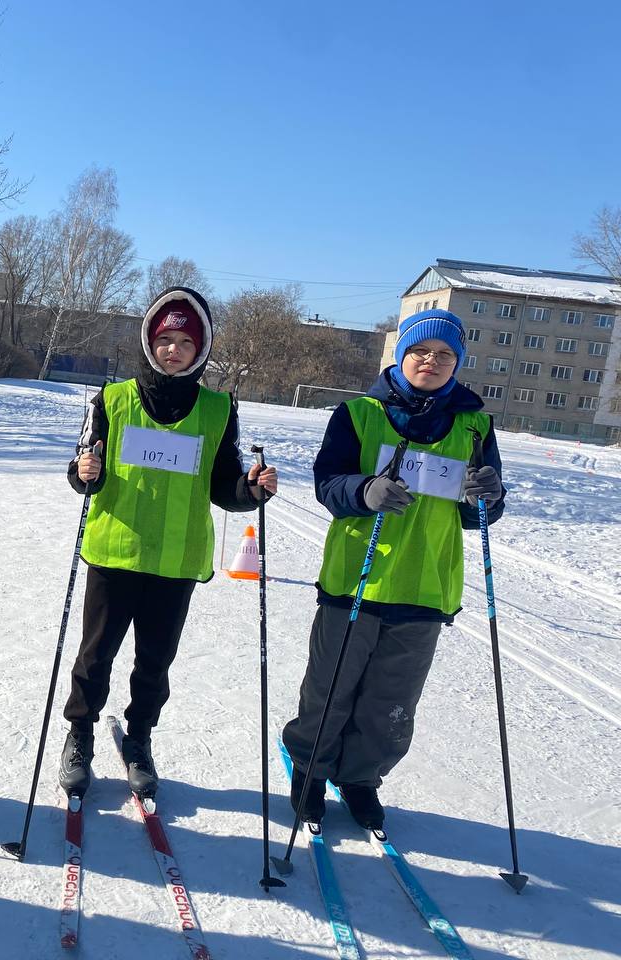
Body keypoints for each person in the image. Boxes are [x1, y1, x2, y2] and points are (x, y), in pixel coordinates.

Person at [282, 308, 506, 829]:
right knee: (330, 686)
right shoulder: (359, 413)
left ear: (458, 363)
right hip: (356, 579)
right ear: (402, 356)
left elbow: (480, 513)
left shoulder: (474, 424)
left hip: (425, 586)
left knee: (392, 700)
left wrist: (489, 498)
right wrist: (364, 490)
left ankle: (361, 778)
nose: (431, 361)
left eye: (444, 355)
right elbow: (328, 485)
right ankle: (311, 770)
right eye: (421, 352)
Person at [58, 287, 277, 800]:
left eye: (184, 341)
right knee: (96, 656)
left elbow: (223, 484)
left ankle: (139, 738)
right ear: (148, 343)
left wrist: (250, 489)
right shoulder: (112, 400)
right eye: (164, 340)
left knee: (155, 662)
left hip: (177, 560)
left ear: (200, 349)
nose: (173, 350)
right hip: (115, 555)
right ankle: (80, 734)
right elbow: (84, 467)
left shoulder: (218, 410)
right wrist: (81, 473)